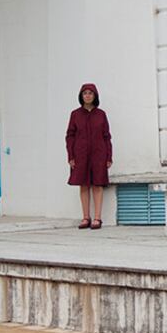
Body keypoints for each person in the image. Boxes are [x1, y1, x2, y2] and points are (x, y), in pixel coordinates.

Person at [66, 83, 112, 229]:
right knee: (84, 185)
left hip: (99, 154)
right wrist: (71, 156)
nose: (87, 95)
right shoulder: (75, 114)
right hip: (80, 155)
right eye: (85, 93)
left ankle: (97, 218)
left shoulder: (101, 114)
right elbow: (70, 136)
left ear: (95, 96)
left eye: (90, 93)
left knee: (97, 185)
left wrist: (108, 156)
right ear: (81, 96)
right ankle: (86, 217)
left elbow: (106, 137)